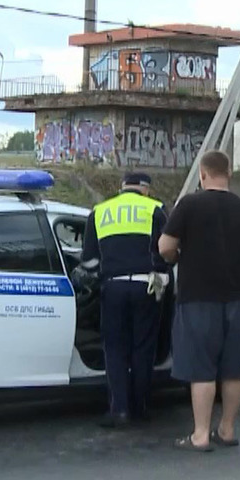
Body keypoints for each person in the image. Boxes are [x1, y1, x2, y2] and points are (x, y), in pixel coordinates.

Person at [159, 149, 240, 452]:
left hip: (198, 300)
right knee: (235, 367)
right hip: (239, 301)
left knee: (202, 368)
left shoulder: (188, 205)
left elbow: (165, 247)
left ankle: (201, 435)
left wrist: (179, 256)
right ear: (229, 173)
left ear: (202, 175)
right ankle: (228, 430)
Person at [79, 171, 169, 428]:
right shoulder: (156, 209)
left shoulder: (100, 211)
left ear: (121, 188)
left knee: (115, 350)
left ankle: (119, 410)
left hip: (113, 288)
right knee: (143, 348)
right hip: (146, 287)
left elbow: (89, 260)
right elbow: (167, 250)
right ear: (145, 189)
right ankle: (140, 408)